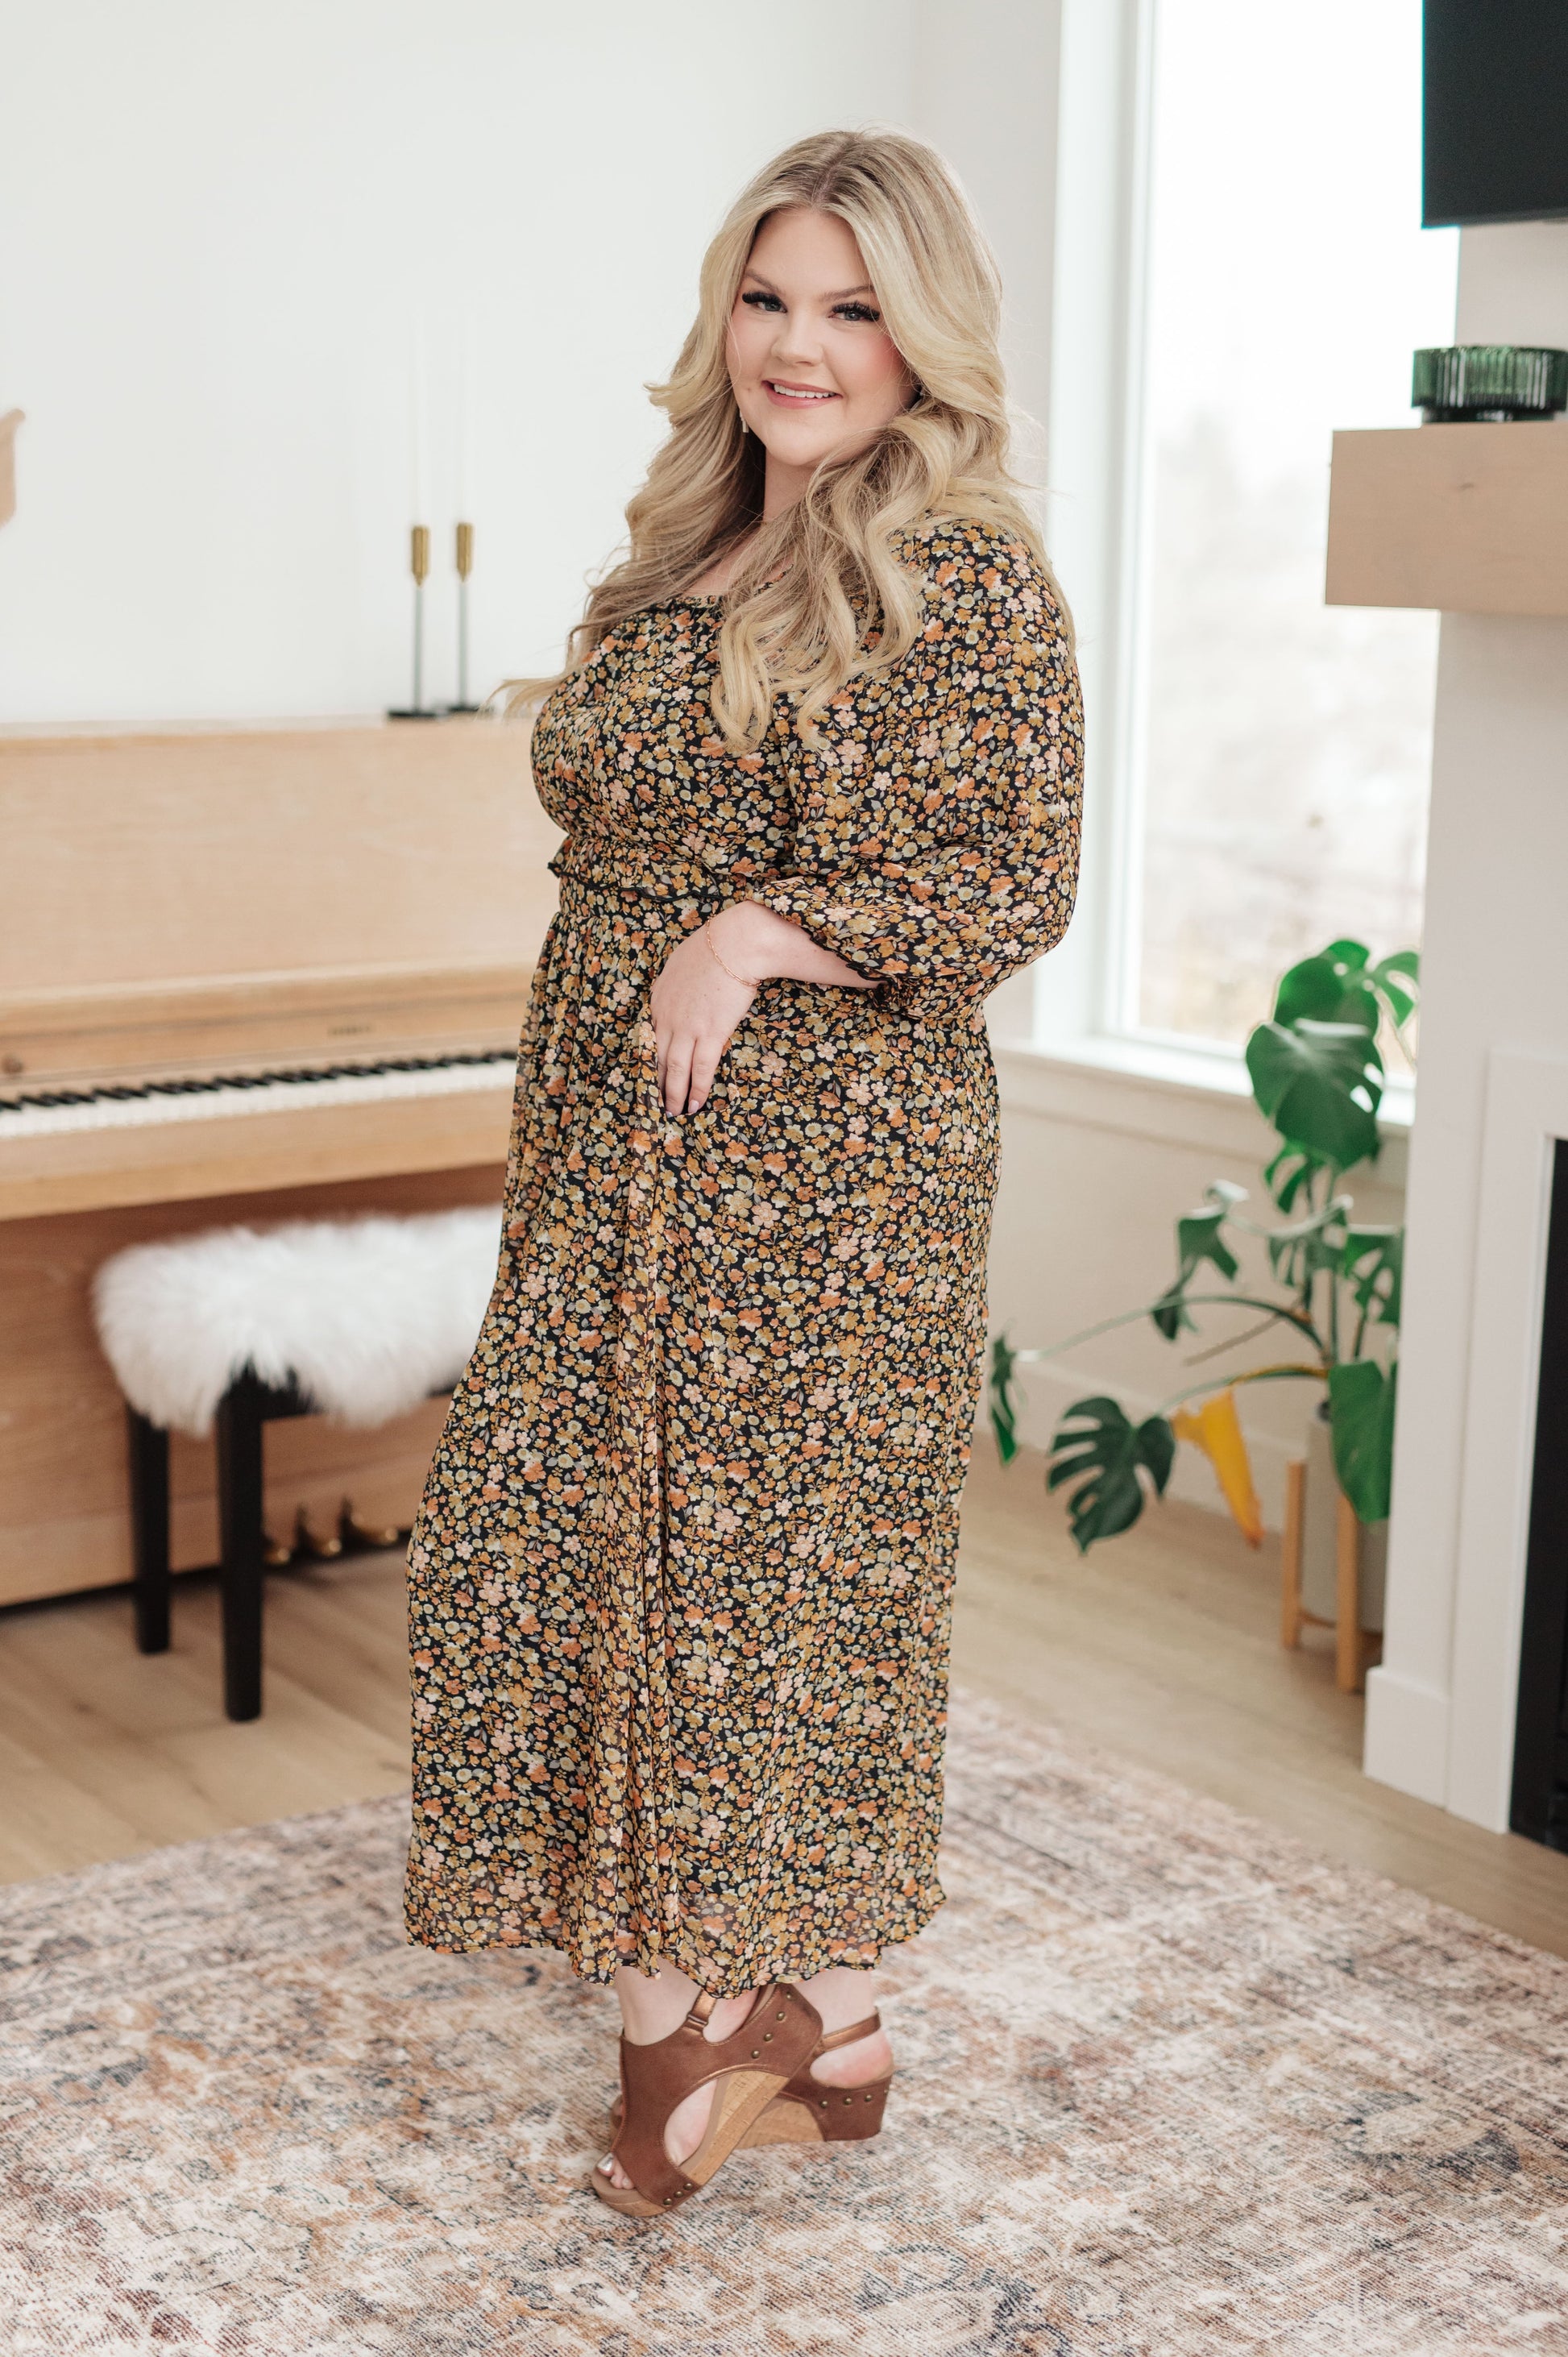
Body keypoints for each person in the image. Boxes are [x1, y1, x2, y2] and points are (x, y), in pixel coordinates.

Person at [404, 126, 1083, 2219]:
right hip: (620, 1140)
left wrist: (752, 934)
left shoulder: (960, 567)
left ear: (922, 339)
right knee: (558, 1539)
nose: (801, 344)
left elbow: (1011, 868)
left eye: (853, 307)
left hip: (820, 1170)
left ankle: (686, 2034)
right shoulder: (691, 542)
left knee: (747, 1593)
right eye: (770, 297)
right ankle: (829, 2025)